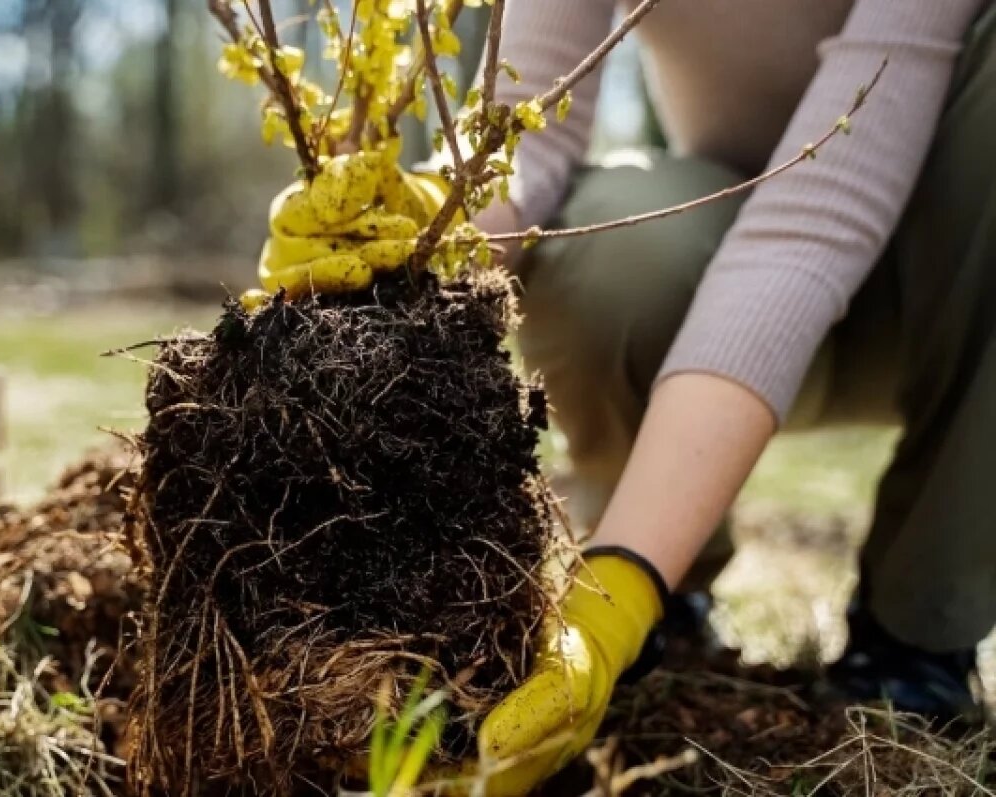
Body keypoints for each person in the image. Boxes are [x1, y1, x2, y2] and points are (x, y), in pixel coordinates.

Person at [258, 1, 995, 794]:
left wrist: (617, 592)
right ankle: (672, 587)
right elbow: (526, 129)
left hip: (956, 298)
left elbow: (814, 226)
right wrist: (426, 219)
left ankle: (918, 632)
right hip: (726, 262)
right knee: (612, 243)